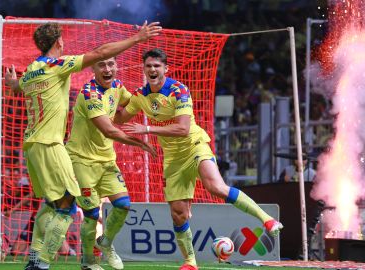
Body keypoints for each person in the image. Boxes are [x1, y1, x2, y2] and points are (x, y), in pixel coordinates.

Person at [4, 21, 161, 270]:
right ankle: (42, 264)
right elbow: (99, 53)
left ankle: (35, 256)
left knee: (52, 204)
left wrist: (12, 82)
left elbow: (16, 87)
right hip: (51, 145)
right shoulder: (57, 66)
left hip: (32, 145)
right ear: (59, 42)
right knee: (67, 206)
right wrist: (137, 39)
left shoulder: (32, 69)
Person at [114, 48, 283, 270]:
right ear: (143, 69)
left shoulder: (178, 90)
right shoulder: (140, 96)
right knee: (178, 214)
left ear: (166, 68)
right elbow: (119, 118)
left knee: (215, 186)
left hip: (194, 145)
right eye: (148, 66)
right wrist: (111, 96)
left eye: (157, 66)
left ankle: (266, 219)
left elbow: (183, 129)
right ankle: (190, 262)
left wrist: (146, 128)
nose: (153, 69)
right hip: (173, 158)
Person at [66, 57, 157, 270]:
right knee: (91, 215)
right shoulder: (89, 94)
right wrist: (140, 142)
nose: (107, 69)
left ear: (116, 66)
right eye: (102, 65)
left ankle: (105, 242)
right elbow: (109, 129)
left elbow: (130, 106)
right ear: (93, 68)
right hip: (81, 161)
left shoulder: (117, 86)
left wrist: (157, 104)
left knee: (123, 205)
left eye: (111, 64)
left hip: (107, 161)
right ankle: (88, 261)